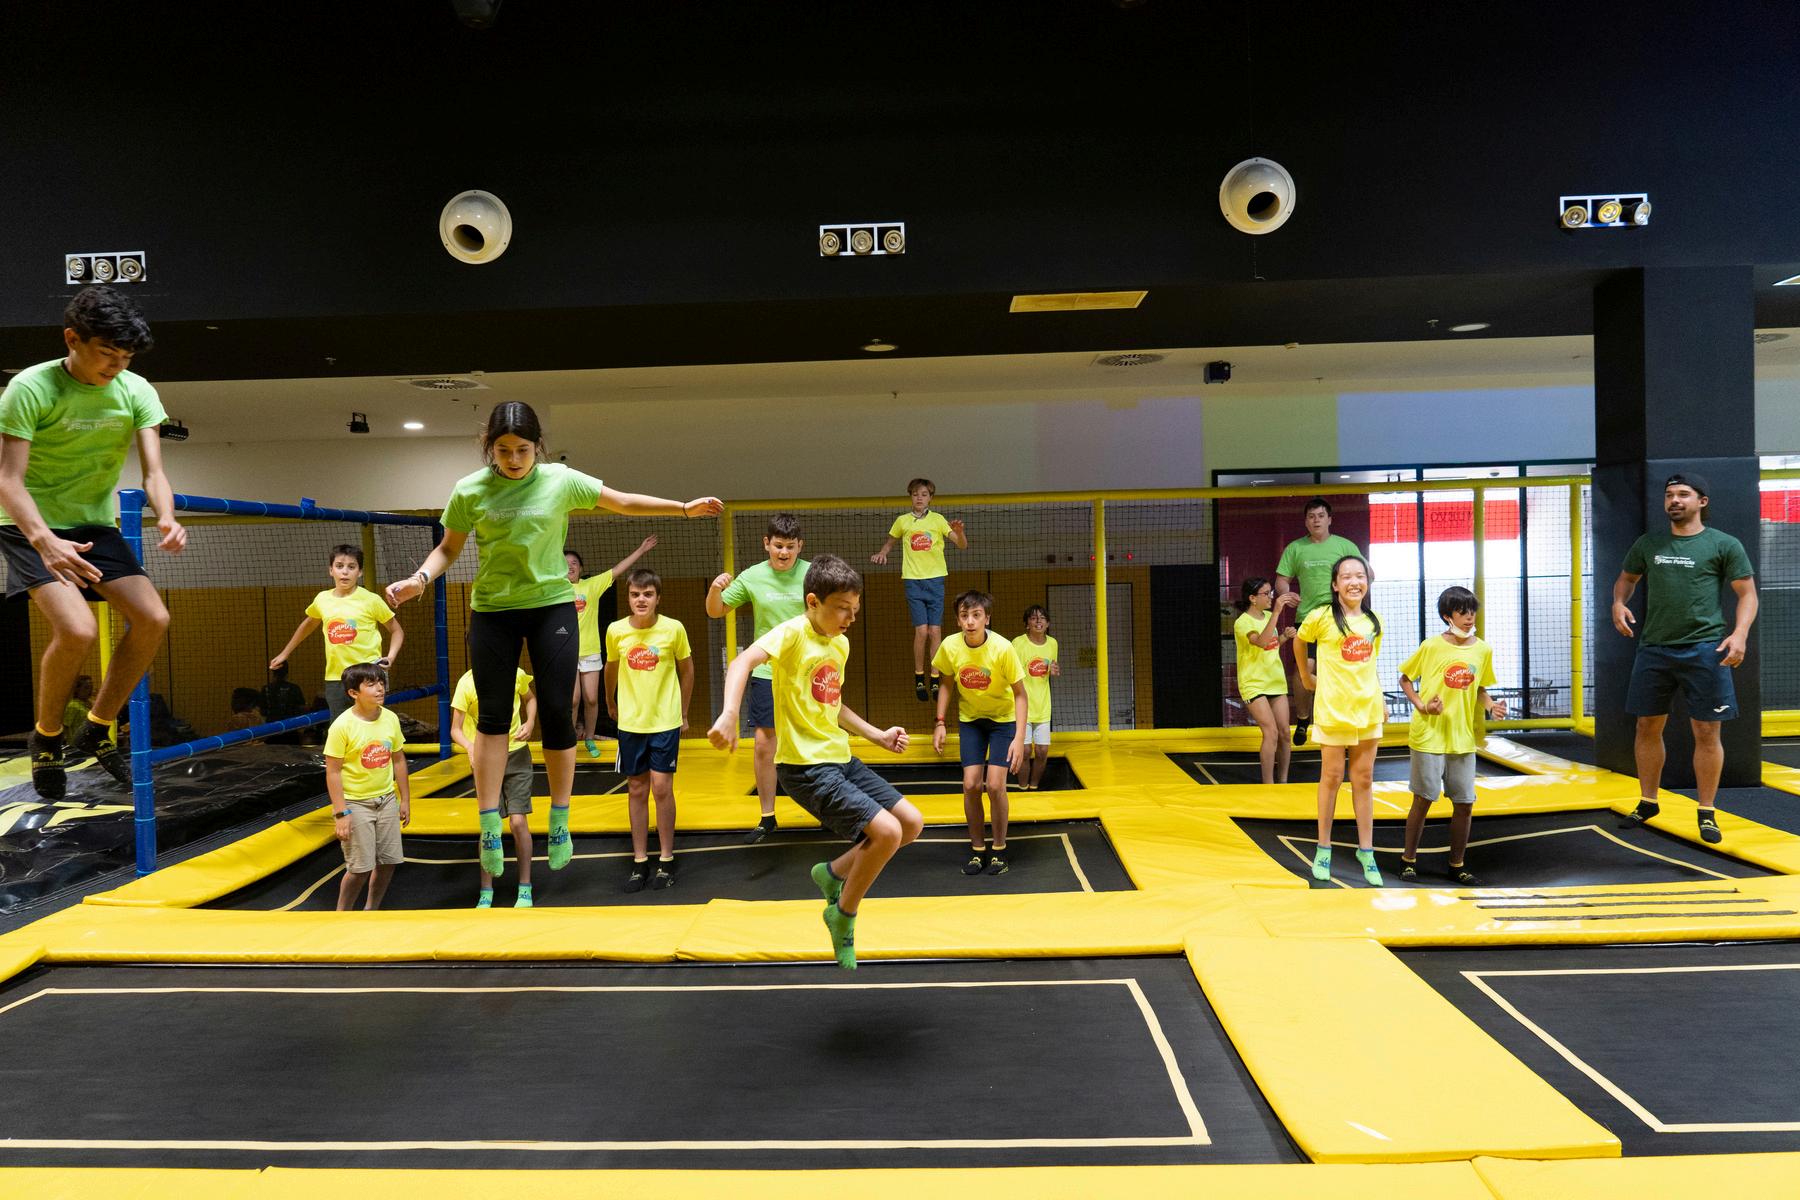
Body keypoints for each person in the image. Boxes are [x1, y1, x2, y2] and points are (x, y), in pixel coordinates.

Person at [384, 401, 720, 879]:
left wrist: (683, 508)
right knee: (493, 718)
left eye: (522, 450)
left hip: (551, 607)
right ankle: (488, 823)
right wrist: (419, 579)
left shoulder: (560, 481)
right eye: (503, 450)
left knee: (559, 711)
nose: (513, 459)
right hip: (494, 610)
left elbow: (622, 501)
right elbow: (448, 547)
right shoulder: (470, 490)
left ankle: (560, 818)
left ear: (537, 447)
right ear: (489, 448)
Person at [0, 286, 185, 798]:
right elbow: (8, 480)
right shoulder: (30, 388)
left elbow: (153, 472)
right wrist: (44, 542)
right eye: (107, 353)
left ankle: (98, 728)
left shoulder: (136, 389)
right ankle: (46, 737)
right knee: (78, 629)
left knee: (153, 618)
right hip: (28, 524)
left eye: (125, 357)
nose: (116, 366)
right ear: (72, 339)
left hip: (93, 524)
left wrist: (167, 516)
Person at [709, 555, 920, 970]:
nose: (851, 618)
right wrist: (730, 713)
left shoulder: (839, 644)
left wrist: (876, 735)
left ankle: (833, 873)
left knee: (911, 824)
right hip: (805, 767)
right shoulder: (791, 634)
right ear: (812, 602)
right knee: (888, 832)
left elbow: (832, 703)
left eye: (855, 609)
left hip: (840, 758)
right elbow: (741, 662)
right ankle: (842, 915)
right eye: (842, 608)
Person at [1612, 473, 1757, 845]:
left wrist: (1740, 634)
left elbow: (1748, 594)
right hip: (1654, 648)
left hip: (1705, 649)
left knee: (1707, 731)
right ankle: (1648, 801)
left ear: (1701, 502)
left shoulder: (1723, 544)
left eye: (1683, 494)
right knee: (1646, 726)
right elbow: (1627, 578)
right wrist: (1618, 602)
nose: (1674, 500)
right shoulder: (1649, 543)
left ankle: (1706, 811)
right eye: (1669, 495)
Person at [706, 512, 808, 841]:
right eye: (778, 546)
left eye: (790, 546)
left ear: (799, 546)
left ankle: (824, 808)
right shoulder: (752, 576)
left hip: (807, 672)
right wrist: (715, 589)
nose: (783, 552)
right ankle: (767, 816)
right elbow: (716, 610)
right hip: (766, 671)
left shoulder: (812, 575)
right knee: (765, 744)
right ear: (766, 544)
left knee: (814, 743)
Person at [1398, 587, 1506, 884]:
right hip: (1429, 736)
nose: (1469, 617)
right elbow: (1405, 678)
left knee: (1465, 803)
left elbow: (1479, 687)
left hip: (1462, 738)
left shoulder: (1482, 650)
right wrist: (1422, 705)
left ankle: (1457, 864)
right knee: (1423, 799)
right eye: (1462, 612)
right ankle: (1408, 860)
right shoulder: (1432, 646)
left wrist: (1491, 706)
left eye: (1472, 612)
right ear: (1448, 616)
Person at [1295, 555, 1385, 886]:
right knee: (1331, 777)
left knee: (1364, 779)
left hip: (1367, 709)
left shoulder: (1374, 621)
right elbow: (1299, 642)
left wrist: (1380, 697)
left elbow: (1370, 664)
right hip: (1333, 710)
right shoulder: (1320, 617)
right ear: (1335, 585)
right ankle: (1323, 848)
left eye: (1360, 576)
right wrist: (1306, 676)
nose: (1354, 582)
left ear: (1367, 582)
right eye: (1346, 576)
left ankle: (1366, 851)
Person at [605, 568, 693, 892]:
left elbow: (687, 670)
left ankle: (666, 859)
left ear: (657, 598)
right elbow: (610, 668)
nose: (641, 600)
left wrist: (683, 712)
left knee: (661, 788)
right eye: (635, 594)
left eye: (647, 594)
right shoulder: (616, 631)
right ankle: (640, 860)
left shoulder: (673, 629)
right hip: (631, 723)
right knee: (636, 789)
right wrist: (610, 702)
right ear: (628, 598)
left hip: (664, 721)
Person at [933, 590, 1027, 875]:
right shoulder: (950, 646)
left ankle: (999, 849)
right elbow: (946, 682)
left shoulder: (1003, 648)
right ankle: (977, 850)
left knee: (995, 786)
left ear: (987, 618)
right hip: (971, 720)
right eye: (964, 616)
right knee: (971, 785)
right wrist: (940, 722)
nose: (970, 621)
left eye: (976, 615)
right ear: (958, 620)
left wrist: (1019, 738)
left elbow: (1020, 694)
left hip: (1003, 721)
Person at [270, 544, 404, 718]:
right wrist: (285, 653)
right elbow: (308, 624)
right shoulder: (322, 599)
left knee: (372, 725)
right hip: (335, 678)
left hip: (369, 676)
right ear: (331, 570)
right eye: (339, 566)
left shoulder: (371, 600)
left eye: (351, 567)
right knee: (340, 726)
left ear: (360, 572)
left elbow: (397, 631)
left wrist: (390, 657)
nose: (345, 572)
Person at [323, 662, 411, 911]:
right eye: (371, 684)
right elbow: (333, 771)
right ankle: (342, 915)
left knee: (388, 862)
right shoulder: (342, 726)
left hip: (386, 800)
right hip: (356, 803)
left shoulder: (390, 718)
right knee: (360, 868)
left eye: (381, 683)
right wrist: (341, 813)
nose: (379, 688)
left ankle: (371, 910)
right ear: (354, 693)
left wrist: (404, 799)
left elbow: (398, 759)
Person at [1275, 498, 1362, 747]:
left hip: (1341, 618)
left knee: (1344, 668)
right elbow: (1282, 580)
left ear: (1329, 519)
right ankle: (1303, 719)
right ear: (1306, 521)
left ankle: (1345, 720)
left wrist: (1351, 594)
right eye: (1312, 516)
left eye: (1321, 516)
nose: (1316, 520)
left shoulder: (1345, 546)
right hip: (1307, 618)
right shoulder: (1295, 548)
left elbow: (1368, 574)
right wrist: (1287, 594)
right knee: (1304, 668)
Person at [870, 478, 966, 701]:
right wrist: (882, 553)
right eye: (915, 494)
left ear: (930, 498)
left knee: (935, 632)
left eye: (924, 494)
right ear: (910, 497)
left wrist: (960, 532)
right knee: (921, 631)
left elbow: (962, 545)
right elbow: (890, 542)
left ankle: (935, 677)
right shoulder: (902, 521)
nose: (919, 498)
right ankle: (919, 676)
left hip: (935, 581)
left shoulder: (938, 520)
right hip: (913, 580)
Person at [451, 663, 537, 907]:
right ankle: (486, 890)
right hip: (485, 758)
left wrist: (530, 722)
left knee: (518, 821)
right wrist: (470, 747)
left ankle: (525, 887)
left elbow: (530, 699)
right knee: (490, 825)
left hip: (517, 754)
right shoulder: (467, 683)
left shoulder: (515, 673)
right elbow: (455, 729)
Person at [568, 537, 656, 758]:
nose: (570, 566)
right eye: (565, 563)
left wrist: (641, 550)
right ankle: (569, 742)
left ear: (581, 568)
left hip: (590, 651)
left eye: (574, 563)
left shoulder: (591, 585)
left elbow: (617, 570)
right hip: (567, 652)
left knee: (591, 698)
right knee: (573, 700)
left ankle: (589, 737)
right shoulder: (555, 589)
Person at [1233, 578, 1298, 785]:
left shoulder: (1269, 616)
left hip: (1275, 681)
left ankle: (1283, 782)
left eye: (1271, 592)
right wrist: (1277, 612)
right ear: (1252, 598)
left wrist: (1284, 637)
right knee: (1271, 733)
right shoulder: (1243, 622)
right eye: (1266, 593)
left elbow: (1271, 645)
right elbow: (1261, 642)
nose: (1271, 597)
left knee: (1285, 733)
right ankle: (1268, 785)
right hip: (1253, 683)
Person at [1010, 605, 1060, 791]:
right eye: (1033, 618)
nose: (1038, 621)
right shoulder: (1018, 643)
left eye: (1042, 618)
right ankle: (1023, 788)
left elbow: (1051, 668)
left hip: (1043, 706)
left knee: (1042, 751)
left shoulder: (1053, 644)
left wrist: (1053, 670)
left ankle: (1034, 787)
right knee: (1024, 751)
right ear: (1027, 624)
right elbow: (1011, 672)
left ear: (1048, 624)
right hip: (1022, 707)